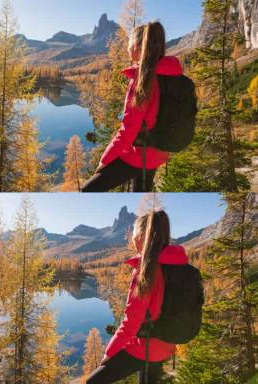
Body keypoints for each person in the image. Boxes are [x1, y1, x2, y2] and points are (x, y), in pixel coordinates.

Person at [85, 210, 188, 383]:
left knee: (92, 382)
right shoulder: (176, 264)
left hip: (145, 347)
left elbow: (131, 321)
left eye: (133, 232)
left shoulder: (146, 269)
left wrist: (109, 353)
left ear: (141, 235)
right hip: (167, 344)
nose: (132, 237)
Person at [82, 22, 183, 192]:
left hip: (139, 154)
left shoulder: (142, 79)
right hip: (159, 152)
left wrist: (105, 160)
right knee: (141, 192)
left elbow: (129, 129)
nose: (127, 47)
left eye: (128, 43)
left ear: (136, 47)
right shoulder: (171, 74)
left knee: (87, 190)